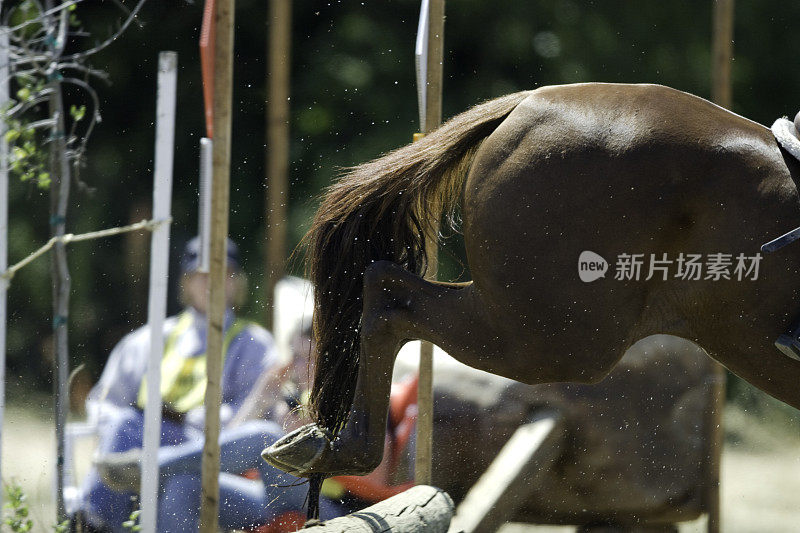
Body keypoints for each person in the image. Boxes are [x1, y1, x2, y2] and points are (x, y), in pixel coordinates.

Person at [73, 237, 279, 533]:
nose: (210, 283)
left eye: (222, 274)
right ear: (186, 282)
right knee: (125, 425)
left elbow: (251, 419)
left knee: (152, 455)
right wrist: (129, 434)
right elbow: (104, 401)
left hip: (208, 449)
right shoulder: (151, 338)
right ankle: (93, 521)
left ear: (236, 282)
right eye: (201, 275)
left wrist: (195, 422)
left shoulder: (254, 344)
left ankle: (94, 518)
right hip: (139, 445)